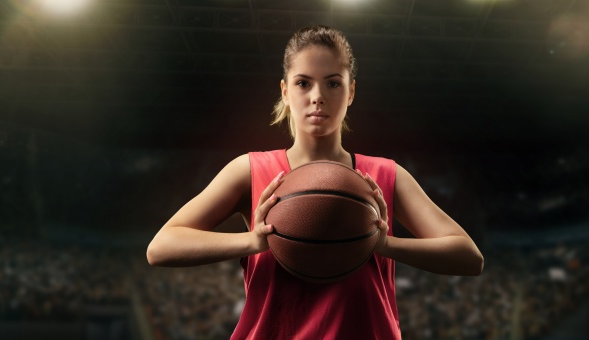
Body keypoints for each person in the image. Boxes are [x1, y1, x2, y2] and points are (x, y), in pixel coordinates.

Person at [147, 25, 484, 339]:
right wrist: (252, 242)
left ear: (351, 91)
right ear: (285, 90)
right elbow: (161, 247)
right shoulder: (249, 170)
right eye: (303, 82)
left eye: (333, 83)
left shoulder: (384, 176)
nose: (317, 96)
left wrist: (385, 245)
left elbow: (469, 257)